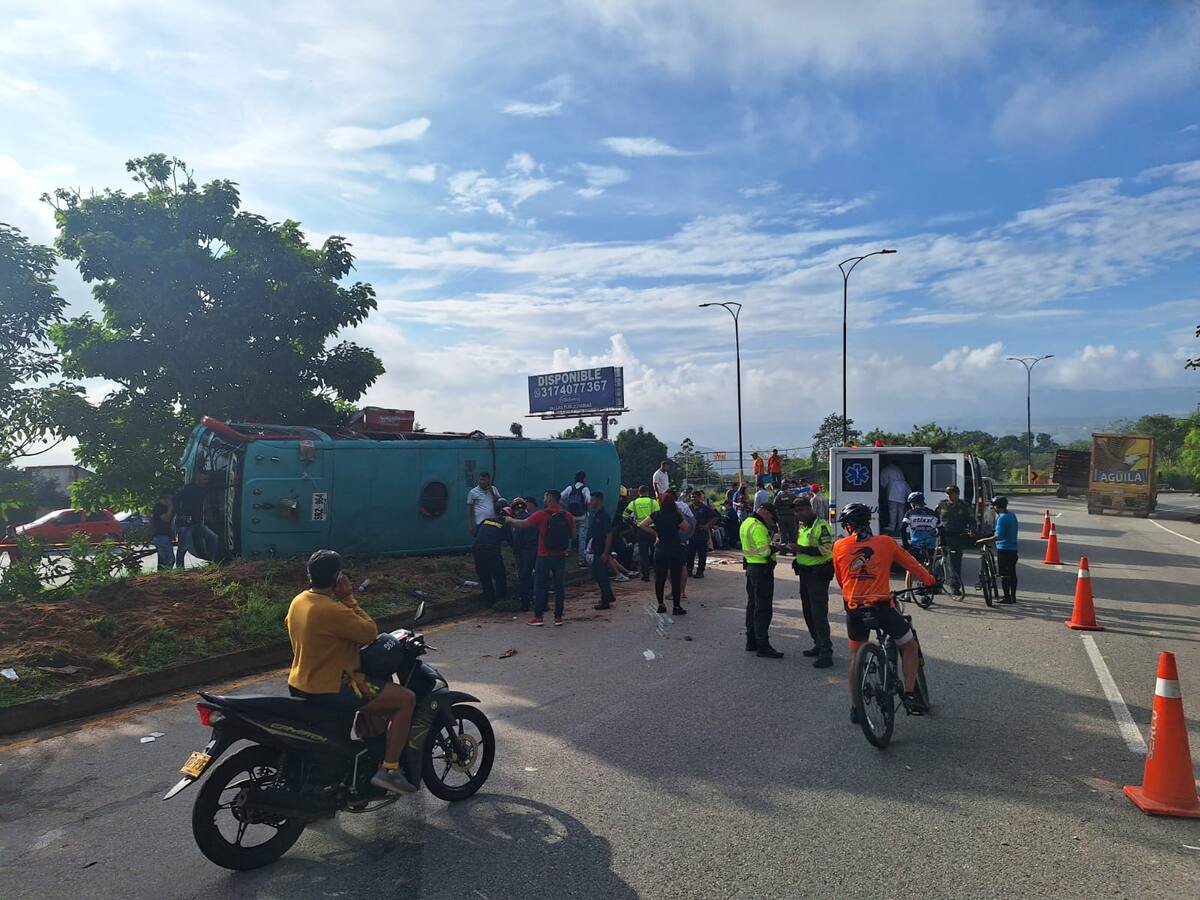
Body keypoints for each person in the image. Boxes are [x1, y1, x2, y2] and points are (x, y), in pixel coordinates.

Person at [286, 550, 419, 794]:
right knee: (405, 699)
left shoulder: (299, 601)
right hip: (336, 685)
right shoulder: (332, 609)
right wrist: (348, 597)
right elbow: (369, 631)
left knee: (374, 695)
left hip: (301, 681)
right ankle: (390, 770)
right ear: (338, 578)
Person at [833, 504, 936, 721]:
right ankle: (909, 694)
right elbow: (912, 564)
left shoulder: (839, 545)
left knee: (855, 655)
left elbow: (842, 579)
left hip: (854, 608)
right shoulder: (885, 543)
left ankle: (855, 708)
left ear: (848, 526)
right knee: (909, 646)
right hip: (881, 607)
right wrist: (930, 581)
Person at [508, 489, 575, 626]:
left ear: (549, 499)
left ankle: (538, 617)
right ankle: (558, 618)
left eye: (545, 497)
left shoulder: (541, 515)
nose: (543, 499)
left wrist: (509, 520)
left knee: (540, 586)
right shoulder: (568, 516)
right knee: (559, 587)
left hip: (544, 556)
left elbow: (523, 524)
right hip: (560, 556)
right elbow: (573, 535)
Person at [791, 496, 836, 668]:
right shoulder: (804, 526)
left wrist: (800, 549)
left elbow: (826, 549)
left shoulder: (821, 525)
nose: (798, 514)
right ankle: (818, 643)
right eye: (796, 511)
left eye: (801, 510)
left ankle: (826, 652)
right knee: (808, 611)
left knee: (818, 613)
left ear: (809, 509)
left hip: (818, 574)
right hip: (805, 573)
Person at [741, 502, 784, 658]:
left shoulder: (747, 522)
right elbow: (764, 551)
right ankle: (763, 645)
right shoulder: (758, 526)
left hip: (752, 568)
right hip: (761, 571)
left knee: (752, 606)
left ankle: (751, 641)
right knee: (763, 609)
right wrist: (776, 547)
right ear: (765, 512)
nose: (771, 522)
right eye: (772, 518)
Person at [639, 491, 689, 616]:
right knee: (675, 578)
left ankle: (661, 605)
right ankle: (676, 607)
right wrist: (679, 513)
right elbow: (686, 528)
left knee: (659, 579)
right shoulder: (676, 516)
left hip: (660, 549)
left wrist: (656, 534)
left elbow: (642, 525)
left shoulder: (656, 515)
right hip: (674, 549)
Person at [977, 495, 1019, 603]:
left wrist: (984, 540)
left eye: (994, 506)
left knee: (1004, 575)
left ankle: (1006, 597)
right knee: (1012, 573)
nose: (993, 508)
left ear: (997, 507)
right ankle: (1013, 596)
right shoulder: (1012, 515)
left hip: (1004, 549)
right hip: (1013, 549)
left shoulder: (1002, 518)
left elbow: (998, 536)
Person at [173, 471, 219, 566]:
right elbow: (175, 499)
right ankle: (180, 568)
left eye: (207, 480)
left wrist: (232, 483)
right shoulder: (189, 488)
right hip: (185, 523)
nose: (206, 482)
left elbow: (217, 486)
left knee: (213, 538)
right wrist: (179, 513)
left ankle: (212, 561)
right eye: (204, 479)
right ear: (198, 478)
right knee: (183, 547)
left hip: (197, 523)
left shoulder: (205, 488)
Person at [934, 485, 974, 595]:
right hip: (943, 536)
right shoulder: (941, 505)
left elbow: (972, 520)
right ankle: (936, 584)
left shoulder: (964, 505)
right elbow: (934, 518)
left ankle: (955, 586)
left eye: (952, 495)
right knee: (939, 561)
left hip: (957, 536)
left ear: (957, 494)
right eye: (948, 495)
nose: (950, 497)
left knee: (955, 563)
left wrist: (971, 530)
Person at [471, 506, 511, 608]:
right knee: (499, 575)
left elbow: (476, 533)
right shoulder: (505, 524)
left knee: (484, 576)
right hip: (491, 549)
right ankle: (502, 600)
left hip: (477, 549)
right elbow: (512, 541)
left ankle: (489, 601)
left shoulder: (486, 520)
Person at [900, 491, 940, 590]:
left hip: (916, 545)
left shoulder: (910, 513)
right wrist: (942, 543)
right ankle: (926, 589)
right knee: (928, 568)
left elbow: (902, 528)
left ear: (912, 503)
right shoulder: (933, 513)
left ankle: (907, 594)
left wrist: (905, 543)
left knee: (910, 569)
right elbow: (941, 529)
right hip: (930, 545)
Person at [587, 492, 617, 610]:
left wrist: (606, 552)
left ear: (598, 501)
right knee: (598, 575)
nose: (590, 503)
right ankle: (608, 595)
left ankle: (605, 601)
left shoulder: (604, 516)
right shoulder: (596, 515)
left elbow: (609, 534)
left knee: (602, 576)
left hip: (601, 550)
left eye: (592, 500)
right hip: (597, 549)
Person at [625, 485, 660, 581]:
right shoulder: (654, 502)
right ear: (648, 492)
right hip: (653, 530)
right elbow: (659, 515)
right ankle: (658, 574)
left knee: (643, 554)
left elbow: (625, 515)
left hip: (640, 530)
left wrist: (633, 524)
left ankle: (646, 576)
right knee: (655, 552)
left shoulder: (634, 503)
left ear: (639, 493)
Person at [508, 498, 537, 611]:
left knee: (524, 577)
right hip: (536, 550)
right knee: (537, 576)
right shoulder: (533, 518)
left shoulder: (516, 522)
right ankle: (540, 601)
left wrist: (515, 551)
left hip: (524, 552)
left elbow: (517, 540)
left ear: (514, 510)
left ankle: (525, 603)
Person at [562, 471, 591, 568]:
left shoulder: (570, 488)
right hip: (582, 516)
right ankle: (581, 560)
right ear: (584, 479)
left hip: (571, 516)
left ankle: (567, 551)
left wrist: (566, 507)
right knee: (582, 538)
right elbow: (588, 500)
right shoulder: (585, 489)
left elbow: (560, 497)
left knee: (569, 534)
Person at [687, 490, 719, 578]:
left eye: (695, 497)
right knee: (690, 554)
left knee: (702, 554)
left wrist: (707, 525)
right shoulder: (689, 507)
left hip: (702, 534)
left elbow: (715, 517)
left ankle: (700, 571)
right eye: (692, 497)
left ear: (699, 498)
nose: (693, 498)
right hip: (691, 534)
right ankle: (689, 570)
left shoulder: (705, 508)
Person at [466, 471, 502, 536]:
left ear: (488, 480)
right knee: (482, 543)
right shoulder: (473, 492)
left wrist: (492, 493)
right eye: (481, 479)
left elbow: (499, 503)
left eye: (484, 480)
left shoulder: (494, 489)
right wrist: (470, 525)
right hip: (481, 523)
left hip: (494, 522)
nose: (482, 482)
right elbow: (469, 510)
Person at [879, 462, 911, 536]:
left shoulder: (886, 470)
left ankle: (892, 526)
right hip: (903, 489)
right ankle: (900, 525)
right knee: (901, 510)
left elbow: (883, 483)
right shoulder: (898, 469)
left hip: (893, 490)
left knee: (893, 510)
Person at [150, 492, 174, 571]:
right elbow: (166, 519)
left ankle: (164, 575)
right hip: (161, 535)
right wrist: (170, 507)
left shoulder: (166, 507)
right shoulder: (159, 508)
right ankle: (164, 575)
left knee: (166, 559)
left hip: (166, 535)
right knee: (167, 559)